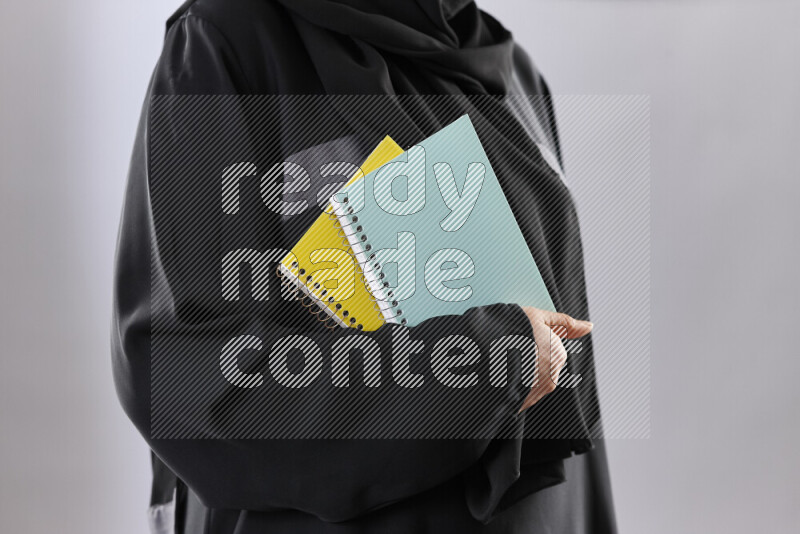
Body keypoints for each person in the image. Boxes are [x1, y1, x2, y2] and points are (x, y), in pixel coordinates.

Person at [112, 0, 617, 532]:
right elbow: (182, 371)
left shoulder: (517, 75)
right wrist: (484, 365)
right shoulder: (229, 41)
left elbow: (569, 406)